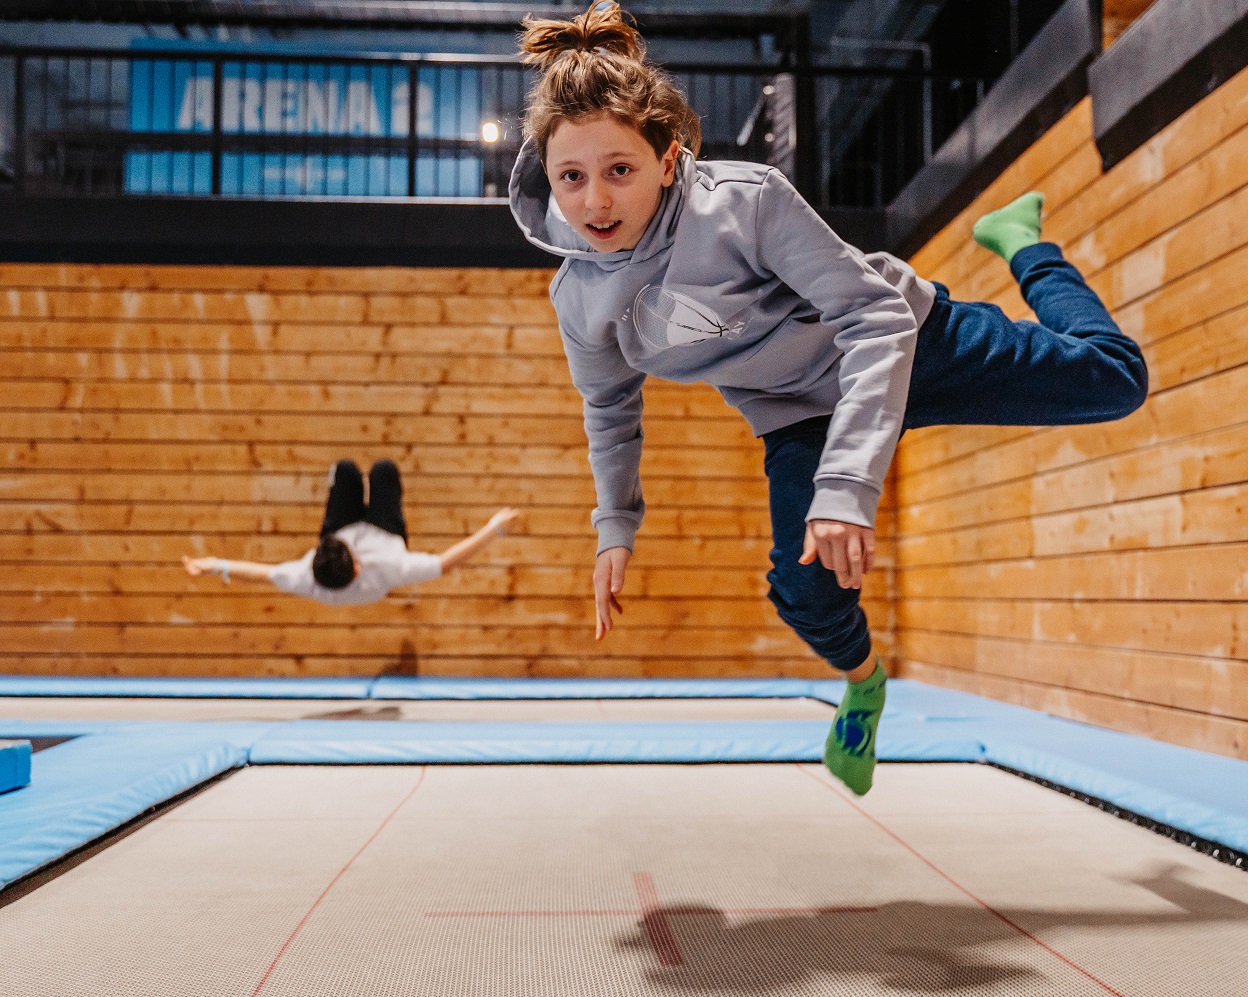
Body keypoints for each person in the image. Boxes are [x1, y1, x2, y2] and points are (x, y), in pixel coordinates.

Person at [510, 3, 1148, 795]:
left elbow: (872, 315)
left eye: (619, 170)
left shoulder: (745, 203)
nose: (595, 201)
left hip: (910, 345)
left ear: (668, 160)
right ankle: (866, 684)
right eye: (572, 177)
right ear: (549, 177)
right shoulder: (578, 298)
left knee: (1117, 381)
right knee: (806, 591)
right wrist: (615, 526)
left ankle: (1026, 245)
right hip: (799, 411)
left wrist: (847, 487)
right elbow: (608, 409)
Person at [183, 458, 521, 606]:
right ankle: (365, 480)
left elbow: (260, 574)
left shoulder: (304, 576)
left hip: (340, 530)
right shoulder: (389, 567)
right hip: (385, 533)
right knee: (382, 470)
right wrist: (493, 529)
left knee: (345, 470)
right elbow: (445, 563)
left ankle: (339, 484)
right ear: (358, 566)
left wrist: (216, 565)